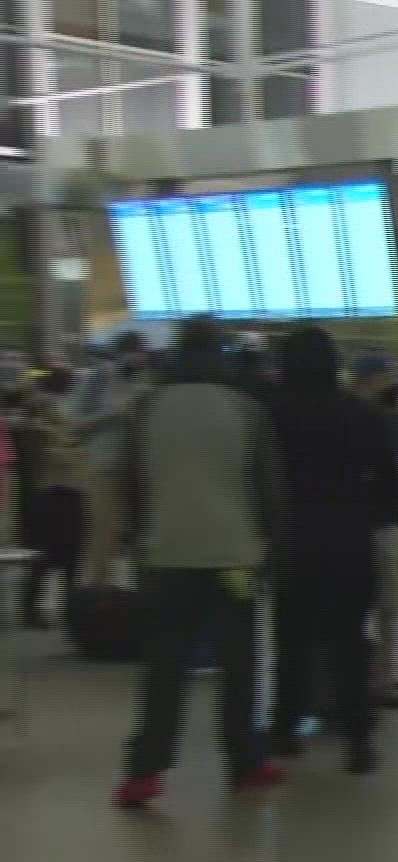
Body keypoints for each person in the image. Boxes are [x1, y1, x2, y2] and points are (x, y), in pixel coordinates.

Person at [113, 317, 286, 810]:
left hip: (165, 555)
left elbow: (132, 480)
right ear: (223, 353)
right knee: (239, 665)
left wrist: (140, 539)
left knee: (164, 667)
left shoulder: (147, 407)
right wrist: (271, 547)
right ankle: (245, 761)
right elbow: (268, 490)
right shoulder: (246, 408)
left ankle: (143, 773)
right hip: (235, 557)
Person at [267, 328, 398, 774]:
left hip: (291, 540)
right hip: (348, 538)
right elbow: (390, 481)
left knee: (292, 641)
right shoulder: (359, 415)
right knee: (348, 641)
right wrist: (372, 515)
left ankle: (286, 730)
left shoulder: (273, 414)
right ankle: (358, 740)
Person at [350, 352, 398, 710]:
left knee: (360, 605)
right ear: (375, 378)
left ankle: (368, 674)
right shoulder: (379, 418)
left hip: (355, 522)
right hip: (384, 522)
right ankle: (382, 679)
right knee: (388, 605)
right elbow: (397, 468)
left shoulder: (347, 412)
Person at [74, 331, 149, 587]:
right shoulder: (96, 381)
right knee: (103, 533)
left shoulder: (147, 382)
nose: (138, 360)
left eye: (141, 354)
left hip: (139, 467)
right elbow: (76, 425)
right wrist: (113, 414)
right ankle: (100, 594)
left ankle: (142, 593)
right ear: (120, 354)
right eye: (134, 353)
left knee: (143, 535)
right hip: (103, 464)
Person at [18, 364, 86, 630]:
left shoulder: (39, 416)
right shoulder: (51, 414)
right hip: (66, 490)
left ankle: (33, 608)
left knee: (43, 557)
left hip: (47, 493)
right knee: (66, 557)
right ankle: (65, 610)